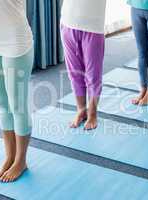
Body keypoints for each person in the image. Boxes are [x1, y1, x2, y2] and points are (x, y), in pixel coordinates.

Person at [0, 0, 34, 182]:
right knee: (3, 105)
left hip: (15, 40)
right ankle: (9, 157)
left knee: (17, 106)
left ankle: (20, 161)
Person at [60, 0, 106, 130]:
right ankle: (81, 110)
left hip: (93, 27)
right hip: (68, 21)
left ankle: (92, 114)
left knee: (93, 75)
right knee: (74, 73)